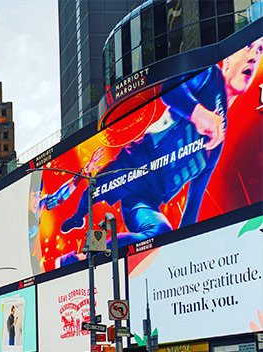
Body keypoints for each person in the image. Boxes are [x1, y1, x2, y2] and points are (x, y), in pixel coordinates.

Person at [54, 39, 263, 261]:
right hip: (132, 165)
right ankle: (78, 219)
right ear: (228, 59)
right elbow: (169, 89)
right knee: (91, 194)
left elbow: (194, 203)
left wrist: (185, 253)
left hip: (145, 199)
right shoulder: (209, 76)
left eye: (260, 50)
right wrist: (197, 113)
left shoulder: (220, 137)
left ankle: (80, 259)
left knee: (161, 234)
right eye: (248, 46)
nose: (254, 56)